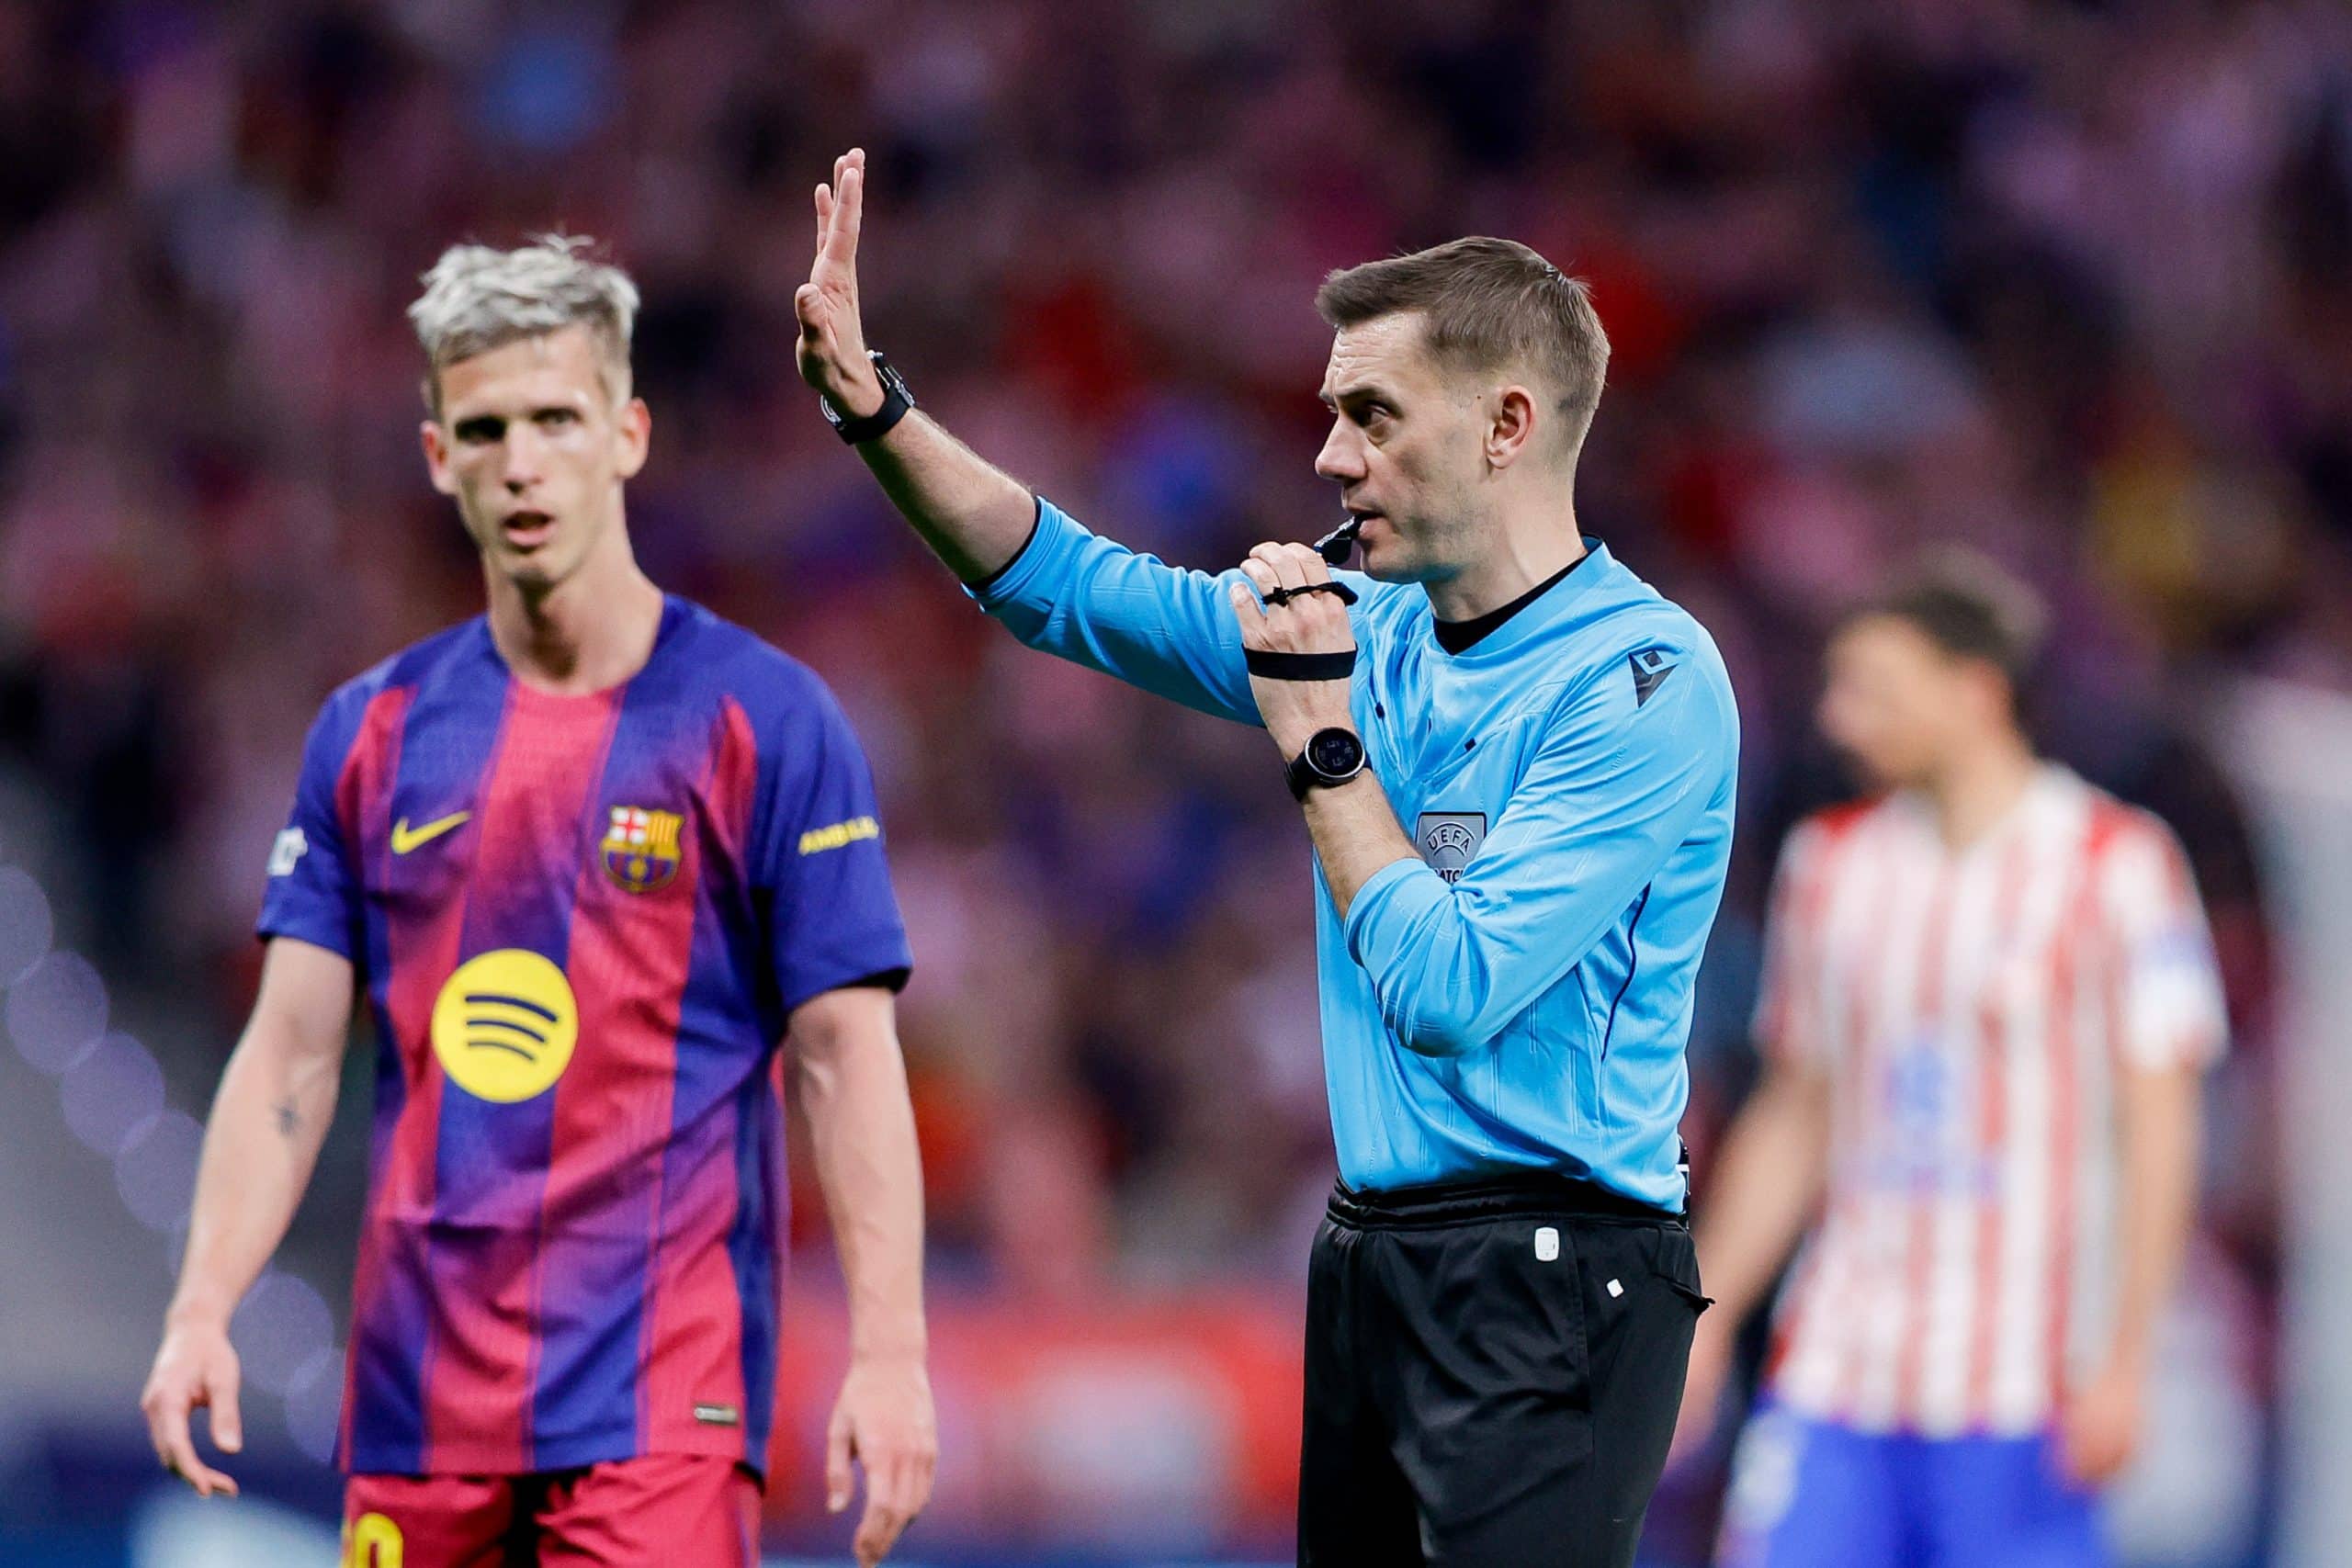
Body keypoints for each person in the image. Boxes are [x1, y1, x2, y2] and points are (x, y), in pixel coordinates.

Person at [792, 148, 1738, 1566]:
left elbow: (1450, 989)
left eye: (1373, 415)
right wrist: (877, 411)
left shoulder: (1643, 679)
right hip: (1370, 1258)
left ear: (1507, 423)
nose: (1331, 458)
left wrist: (1319, 733)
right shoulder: (1370, 624)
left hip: (1556, 1270)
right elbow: (1064, 590)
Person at [138, 237, 937, 1568]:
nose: (521, 462)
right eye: (485, 428)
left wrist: (893, 1354)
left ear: (628, 435)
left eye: (557, 419)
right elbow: (289, 1052)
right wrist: (200, 1308)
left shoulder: (766, 719)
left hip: (662, 1407)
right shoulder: (371, 732)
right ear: (437, 455)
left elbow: (846, 1054)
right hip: (416, 1401)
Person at [1676, 561, 2225, 1566]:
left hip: (2023, 1385)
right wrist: (1704, 1318)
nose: (1840, 719)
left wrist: (2128, 1357)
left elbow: (2161, 1123)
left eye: (1876, 689)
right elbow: (1797, 1112)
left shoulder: (2118, 862)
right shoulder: (1829, 863)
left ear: (1976, 692)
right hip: (1837, 1368)